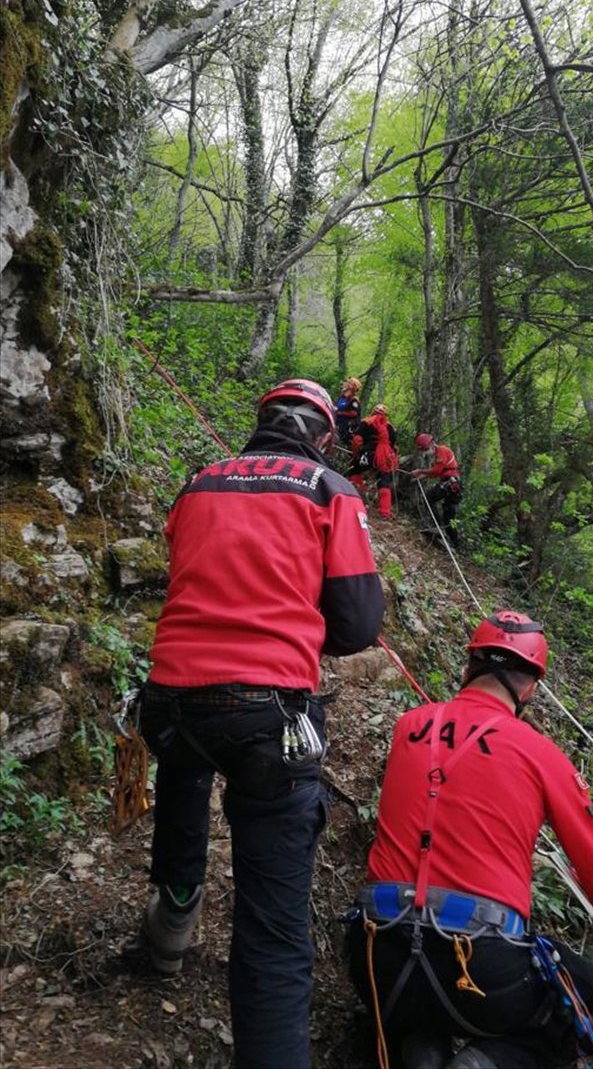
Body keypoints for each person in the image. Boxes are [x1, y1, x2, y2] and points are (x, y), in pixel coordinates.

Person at [138, 378, 385, 1069]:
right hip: (266, 711)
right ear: (323, 433)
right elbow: (359, 624)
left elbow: (190, 573)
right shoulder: (329, 489)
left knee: (184, 771)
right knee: (273, 928)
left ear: (263, 420)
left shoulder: (197, 484)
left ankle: (170, 927)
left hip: (171, 695)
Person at [347, 611, 593, 1069]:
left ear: (467, 666)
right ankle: (487, 1062)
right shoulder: (541, 755)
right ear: (531, 687)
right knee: (583, 990)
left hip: (376, 950)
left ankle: (417, 1046)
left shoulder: (407, 726)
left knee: (412, 993)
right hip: (482, 965)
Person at [348, 402, 399, 519]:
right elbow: (395, 447)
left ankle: (356, 497)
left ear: (373, 411)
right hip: (386, 457)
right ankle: (385, 511)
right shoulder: (391, 427)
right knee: (384, 482)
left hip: (369, 453)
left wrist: (355, 455)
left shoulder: (367, 422)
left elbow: (357, 440)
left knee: (354, 470)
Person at [411, 433, 462, 547]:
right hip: (450, 483)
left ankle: (448, 536)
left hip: (451, 484)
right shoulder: (439, 453)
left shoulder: (442, 451)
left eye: (426, 449)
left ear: (431, 444)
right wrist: (421, 477)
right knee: (447, 515)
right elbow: (439, 472)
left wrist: (420, 471)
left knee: (432, 500)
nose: (426, 452)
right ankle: (444, 533)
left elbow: (437, 471)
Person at [335, 376, 362, 447]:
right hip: (337, 420)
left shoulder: (354, 400)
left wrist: (341, 413)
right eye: (348, 382)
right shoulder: (342, 396)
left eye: (350, 383)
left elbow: (354, 413)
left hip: (346, 425)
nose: (347, 383)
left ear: (354, 387)